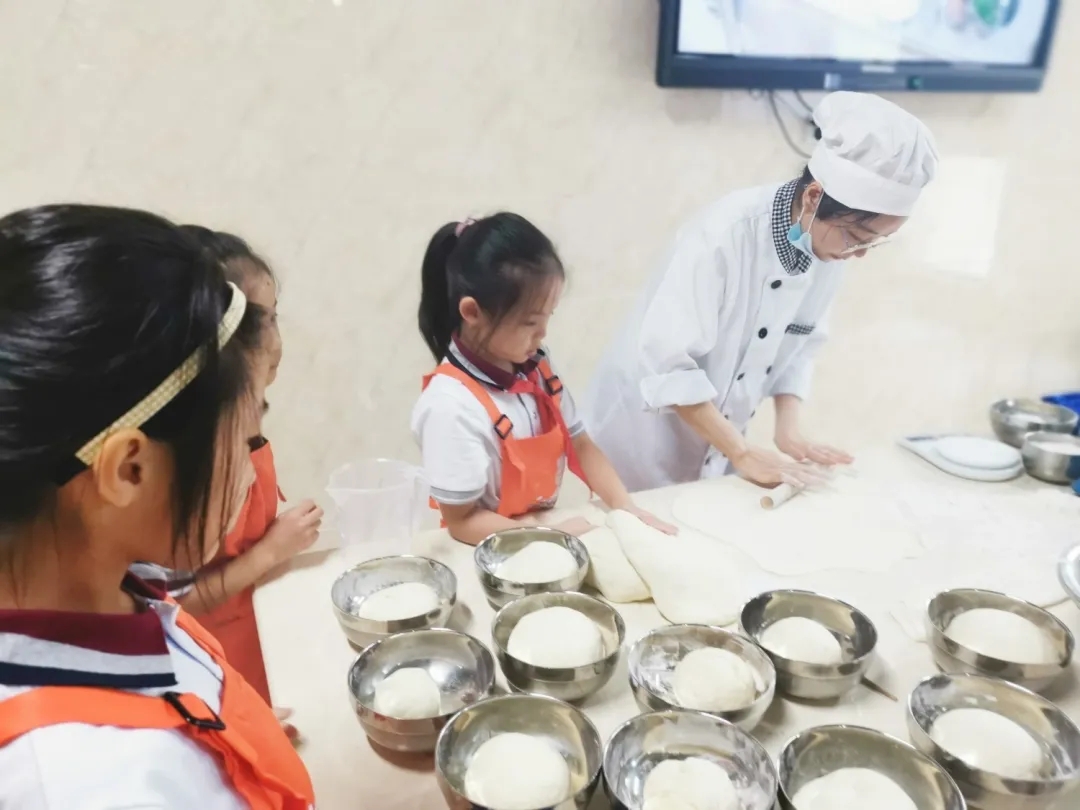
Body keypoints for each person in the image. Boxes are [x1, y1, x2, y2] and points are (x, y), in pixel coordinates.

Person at [0, 205, 314, 809]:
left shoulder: (113, 586)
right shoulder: (93, 786)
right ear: (129, 469)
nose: (251, 469)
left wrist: (224, 737)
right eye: (246, 436)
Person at [584, 91, 939, 492]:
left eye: (872, 243)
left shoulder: (825, 245)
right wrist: (741, 452)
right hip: (642, 437)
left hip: (720, 441)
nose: (857, 254)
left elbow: (801, 343)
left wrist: (789, 432)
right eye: (857, 238)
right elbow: (668, 368)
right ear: (813, 197)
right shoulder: (723, 236)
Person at [134, 227, 323, 718]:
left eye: (274, 316)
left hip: (260, 632)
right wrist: (270, 551)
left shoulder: (231, 428)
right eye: (259, 320)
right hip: (217, 653)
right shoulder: (180, 469)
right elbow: (171, 606)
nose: (274, 339)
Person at [412, 212, 675, 545]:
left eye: (548, 317)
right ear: (473, 313)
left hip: (538, 533)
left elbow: (580, 443)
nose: (543, 334)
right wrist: (549, 536)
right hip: (487, 549)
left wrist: (627, 507)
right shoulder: (449, 406)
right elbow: (463, 522)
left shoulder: (535, 365)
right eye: (530, 323)